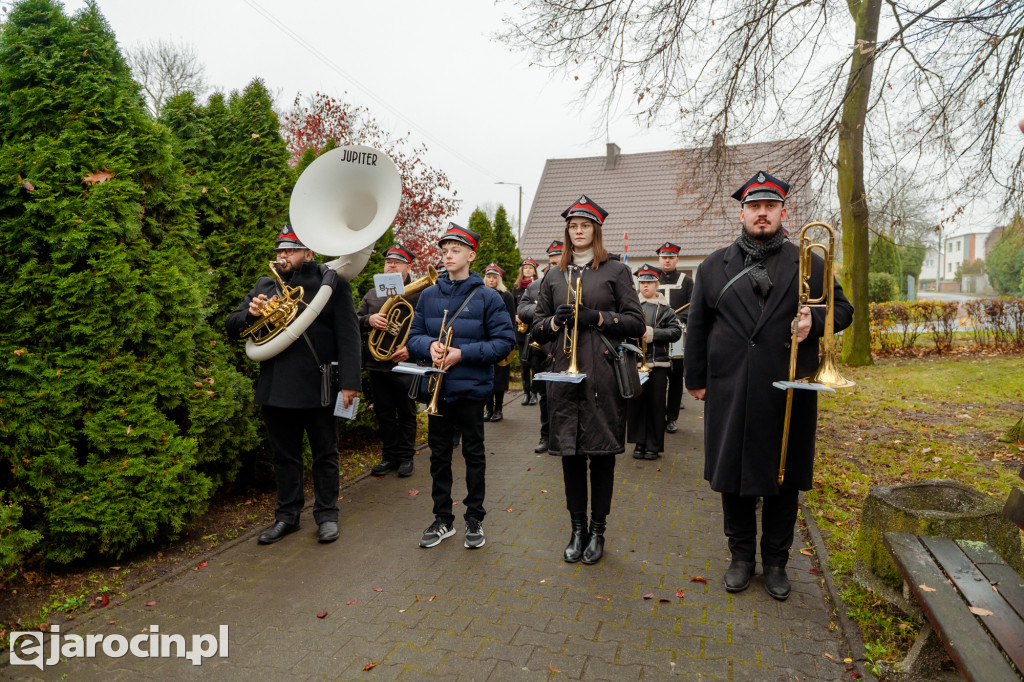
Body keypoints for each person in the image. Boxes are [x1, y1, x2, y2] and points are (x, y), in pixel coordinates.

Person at [684, 171, 853, 600]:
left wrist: (814, 322)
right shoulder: (712, 264)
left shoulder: (811, 261)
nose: (762, 214)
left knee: (785, 477)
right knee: (732, 475)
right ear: (742, 213)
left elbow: (845, 310)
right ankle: (741, 558)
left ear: (783, 212)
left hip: (789, 388)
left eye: (770, 207)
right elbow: (698, 326)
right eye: (755, 207)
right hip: (731, 387)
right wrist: (696, 380)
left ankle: (776, 561)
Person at [226, 225, 361, 545]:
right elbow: (231, 324)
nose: (282, 256)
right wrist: (251, 314)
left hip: (319, 386)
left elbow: (349, 335)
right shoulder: (266, 285)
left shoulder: (331, 283)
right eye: (279, 251)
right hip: (276, 388)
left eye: (290, 250)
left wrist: (351, 383)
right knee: (285, 457)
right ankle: (287, 516)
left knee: (325, 455)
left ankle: (327, 515)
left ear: (308, 253)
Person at [531, 197, 645, 565]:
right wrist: (553, 322)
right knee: (570, 457)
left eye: (585, 226)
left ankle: (598, 531)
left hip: (602, 375)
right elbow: (537, 327)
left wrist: (597, 317)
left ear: (596, 231)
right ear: (567, 232)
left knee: (601, 457)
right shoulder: (553, 274)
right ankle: (576, 528)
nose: (578, 231)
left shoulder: (615, 271)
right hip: (563, 375)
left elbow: (637, 323)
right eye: (572, 226)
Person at [407, 224, 516, 549]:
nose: (448, 256)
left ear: (471, 255)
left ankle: (474, 519)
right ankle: (443, 519)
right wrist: (429, 346)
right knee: (438, 456)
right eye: (445, 251)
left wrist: (461, 353)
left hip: (471, 389)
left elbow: (505, 342)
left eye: (455, 250)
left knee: (473, 455)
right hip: (437, 390)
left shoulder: (488, 297)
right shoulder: (427, 295)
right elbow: (412, 336)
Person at [357, 244, 422, 478]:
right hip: (377, 364)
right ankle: (389, 456)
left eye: (397, 262)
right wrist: (369, 320)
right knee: (383, 413)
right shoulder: (373, 294)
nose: (391, 265)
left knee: (406, 411)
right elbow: (354, 321)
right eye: (388, 262)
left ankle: (406, 457)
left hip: (405, 363)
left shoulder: (418, 294)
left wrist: (410, 348)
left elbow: (428, 328)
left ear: (408, 267)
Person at [627, 265, 683, 460]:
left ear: (657, 284)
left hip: (658, 364)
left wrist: (651, 334)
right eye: (642, 282)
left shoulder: (666, 309)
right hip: (635, 364)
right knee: (637, 404)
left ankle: (654, 444)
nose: (645, 286)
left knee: (656, 405)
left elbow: (675, 332)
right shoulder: (632, 307)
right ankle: (639, 443)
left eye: (649, 282)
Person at [516, 241, 564, 453]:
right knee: (545, 396)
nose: (554, 266)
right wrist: (543, 309)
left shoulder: (575, 282)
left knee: (565, 395)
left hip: (565, 348)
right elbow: (522, 310)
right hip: (541, 349)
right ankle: (546, 436)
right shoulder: (535, 286)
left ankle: (564, 437)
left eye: (558, 262)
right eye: (551, 262)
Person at [656, 242, 694, 433]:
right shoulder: (652, 279)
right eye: (664, 257)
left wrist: (678, 320)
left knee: (676, 379)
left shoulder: (686, 281)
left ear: (677, 259)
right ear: (659, 259)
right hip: (656, 338)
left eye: (671, 257)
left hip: (678, 337)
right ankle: (657, 416)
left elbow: (691, 306)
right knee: (658, 381)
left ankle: (672, 418)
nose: (667, 260)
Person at [483, 263, 516, 421]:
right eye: (489, 277)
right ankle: (488, 409)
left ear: (498, 279)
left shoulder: (507, 296)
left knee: (500, 377)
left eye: (494, 277)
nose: (491, 280)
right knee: (486, 376)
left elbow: (511, 319)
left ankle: (498, 410)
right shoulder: (480, 294)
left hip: (500, 340)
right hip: (484, 341)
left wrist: (510, 342)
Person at [512, 258, 540, 406]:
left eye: (530, 268)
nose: (527, 270)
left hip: (534, 331)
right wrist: (516, 317)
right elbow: (513, 307)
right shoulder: (516, 288)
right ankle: (526, 393)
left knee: (535, 363)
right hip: (522, 331)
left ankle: (535, 393)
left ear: (534, 271)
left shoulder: (540, 286)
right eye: (525, 268)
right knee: (524, 364)